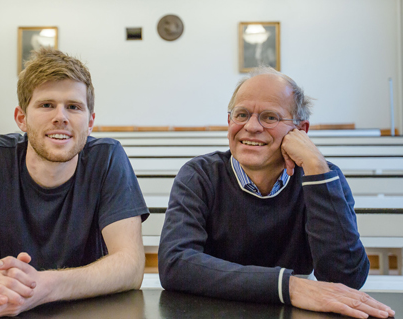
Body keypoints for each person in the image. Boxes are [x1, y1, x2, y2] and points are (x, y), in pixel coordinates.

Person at [0, 47, 149, 318]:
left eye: (74, 107)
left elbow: (131, 265)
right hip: (8, 309)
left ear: (90, 123)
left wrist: (46, 286)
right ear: (22, 118)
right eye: (46, 105)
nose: (61, 117)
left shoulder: (108, 158)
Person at [158, 67, 395, 319]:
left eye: (270, 117)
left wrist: (315, 166)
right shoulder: (200, 175)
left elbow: (345, 278)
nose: (251, 126)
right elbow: (175, 263)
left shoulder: (322, 176)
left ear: (300, 130)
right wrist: (287, 286)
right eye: (242, 114)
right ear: (230, 122)